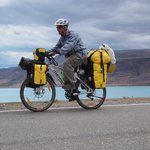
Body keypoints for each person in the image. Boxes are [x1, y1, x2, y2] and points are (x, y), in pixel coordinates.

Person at [48, 18, 87, 100]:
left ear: (65, 27)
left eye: (59, 27)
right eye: (57, 27)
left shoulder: (73, 35)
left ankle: (72, 87)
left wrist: (58, 52)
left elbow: (68, 46)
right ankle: (73, 88)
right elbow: (56, 47)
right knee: (64, 69)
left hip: (80, 54)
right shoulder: (62, 38)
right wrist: (47, 53)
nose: (57, 29)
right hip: (72, 56)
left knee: (67, 64)